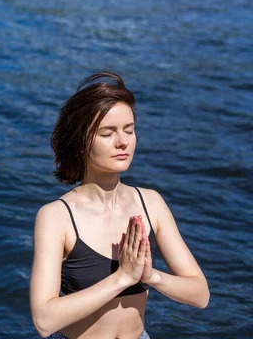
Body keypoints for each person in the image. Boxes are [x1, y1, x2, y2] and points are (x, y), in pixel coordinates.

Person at [29, 72, 209, 339]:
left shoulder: (151, 203)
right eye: (107, 133)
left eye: (129, 129)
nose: (123, 142)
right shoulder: (56, 217)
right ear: (81, 143)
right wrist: (123, 278)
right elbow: (44, 320)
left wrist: (150, 276)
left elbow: (200, 295)